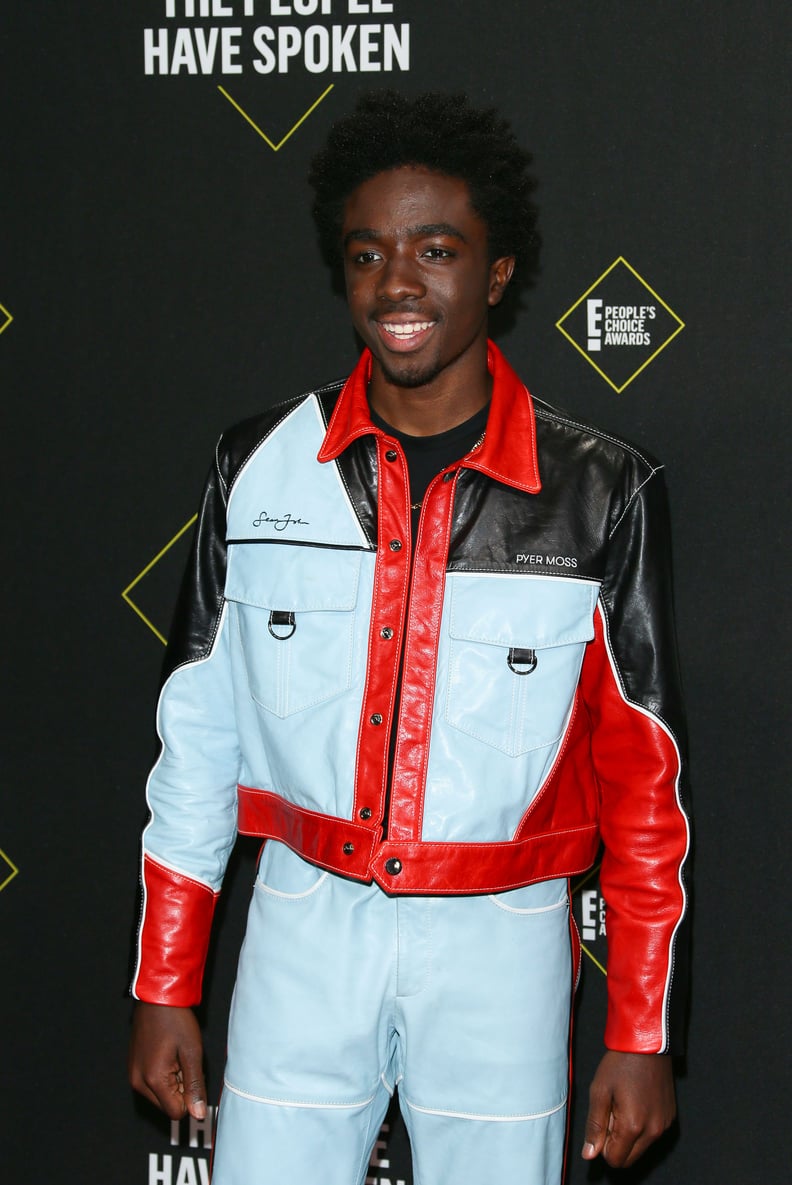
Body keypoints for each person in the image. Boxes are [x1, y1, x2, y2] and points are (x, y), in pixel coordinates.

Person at [129, 91, 690, 1184]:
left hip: (507, 944)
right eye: (368, 252)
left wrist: (641, 1032)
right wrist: (164, 985)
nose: (398, 283)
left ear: (497, 271)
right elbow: (195, 745)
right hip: (299, 922)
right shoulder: (255, 467)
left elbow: (644, 783)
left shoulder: (599, 489)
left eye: (436, 250)